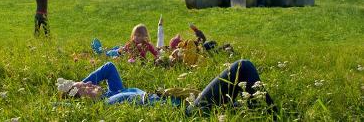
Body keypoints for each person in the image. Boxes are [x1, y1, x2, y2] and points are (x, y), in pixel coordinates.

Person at [58, 60, 275, 115]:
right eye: (85, 87)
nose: (90, 83)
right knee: (243, 67)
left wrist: (79, 85)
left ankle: (264, 108)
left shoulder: (114, 92)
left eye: (87, 82)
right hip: (189, 112)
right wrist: (72, 92)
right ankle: (275, 114)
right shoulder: (108, 103)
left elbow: (109, 67)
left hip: (188, 104)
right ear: (83, 101)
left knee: (240, 103)